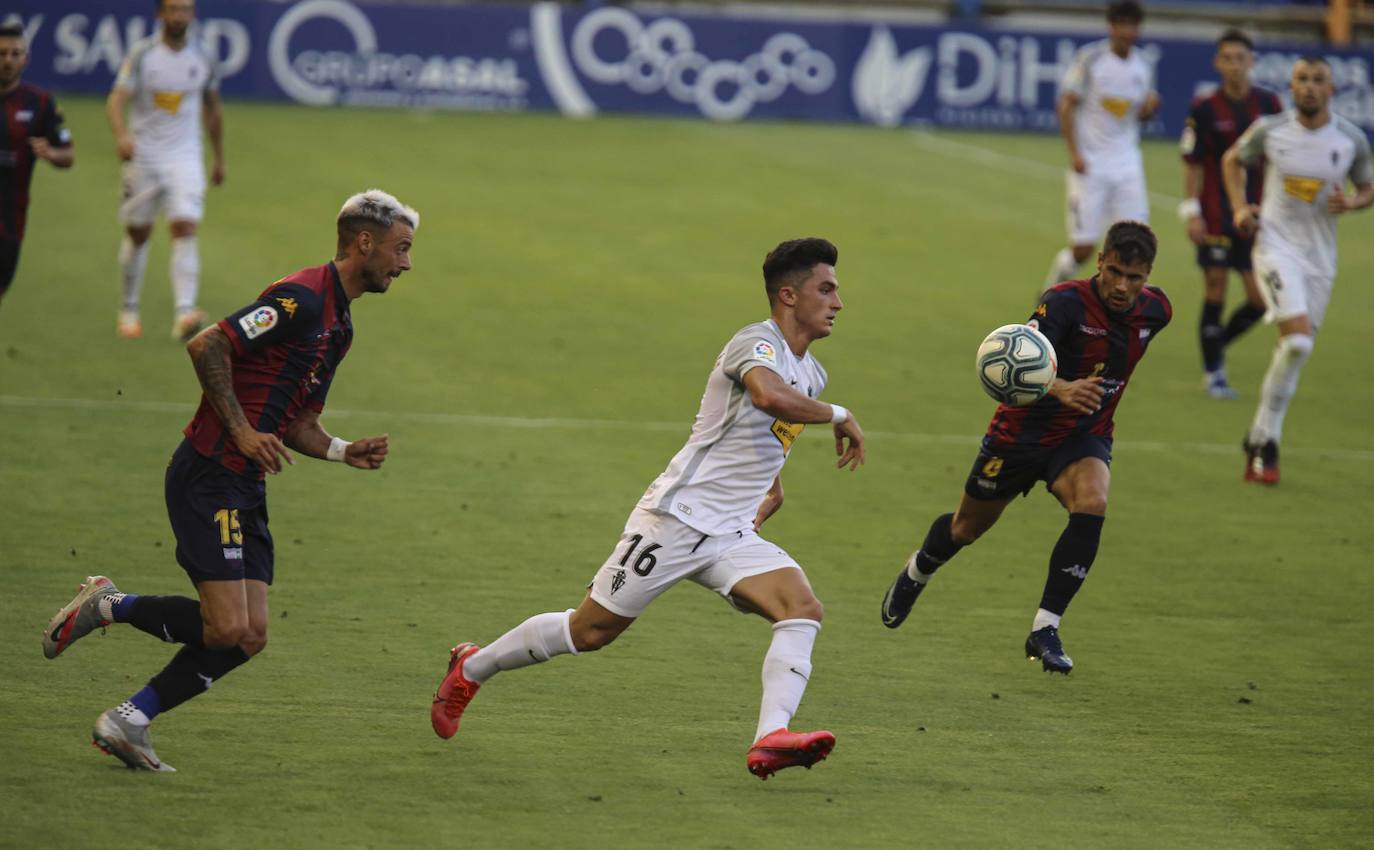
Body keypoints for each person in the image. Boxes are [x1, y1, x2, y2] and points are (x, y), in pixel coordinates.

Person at [430, 238, 866, 780]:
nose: (838, 302)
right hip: (675, 520)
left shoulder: (813, 373)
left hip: (730, 531)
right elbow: (767, 398)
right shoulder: (754, 344)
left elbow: (758, 430)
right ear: (788, 296)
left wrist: (770, 485)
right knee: (589, 632)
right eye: (826, 289)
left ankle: (770, 737)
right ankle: (472, 666)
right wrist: (839, 414)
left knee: (802, 609)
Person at [41, 190, 416, 772]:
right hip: (210, 471)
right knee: (226, 625)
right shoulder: (299, 298)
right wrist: (240, 430)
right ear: (364, 243)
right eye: (401, 249)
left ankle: (129, 720)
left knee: (249, 635)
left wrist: (343, 451)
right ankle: (109, 604)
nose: (406, 264)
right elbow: (208, 342)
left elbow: (298, 423)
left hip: (245, 484)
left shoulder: (339, 327)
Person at [883, 221, 1171, 674]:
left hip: (1082, 435)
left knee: (1092, 501)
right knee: (965, 529)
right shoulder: (1062, 303)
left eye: (1134, 278)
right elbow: (1012, 362)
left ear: (1148, 274)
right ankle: (919, 569)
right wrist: (1060, 389)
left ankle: (1045, 628)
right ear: (1100, 261)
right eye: (1114, 271)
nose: (1121, 286)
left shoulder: (1156, 313)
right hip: (1019, 435)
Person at [1225, 55, 1372, 485]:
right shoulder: (1271, 131)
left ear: (1332, 89)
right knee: (1300, 343)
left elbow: (1367, 187)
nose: (1309, 86)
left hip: (1321, 260)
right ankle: (1269, 444)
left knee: (1294, 349)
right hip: (1274, 249)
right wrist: (1238, 209)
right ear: (1292, 87)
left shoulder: (1350, 140)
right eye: (1301, 79)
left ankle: (1257, 436)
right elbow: (1233, 161)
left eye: (1318, 80)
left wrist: (1355, 202)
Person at [106, 0, 224, 340]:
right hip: (144, 157)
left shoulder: (203, 56)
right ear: (160, 14)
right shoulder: (143, 54)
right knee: (138, 233)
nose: (179, 16)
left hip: (185, 156)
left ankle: (185, 312)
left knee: (185, 226)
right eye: (173, 9)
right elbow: (116, 99)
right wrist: (122, 136)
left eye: (186, 9)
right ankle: (128, 308)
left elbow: (213, 108)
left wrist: (218, 158)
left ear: (193, 14)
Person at [1178, 30, 1282, 399]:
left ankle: (1215, 343)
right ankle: (1214, 374)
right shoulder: (1205, 107)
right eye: (1228, 58)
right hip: (1216, 214)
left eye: (1241, 58)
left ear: (1252, 62)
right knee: (1216, 287)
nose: (1234, 65)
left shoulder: (1269, 104)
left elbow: (1279, 158)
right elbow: (1192, 162)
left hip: (1256, 215)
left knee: (1259, 299)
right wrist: (1191, 211)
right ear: (1217, 63)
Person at [1043, 1, 1160, 292]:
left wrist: (1149, 109)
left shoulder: (1144, 64)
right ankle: (1049, 293)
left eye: (1132, 25)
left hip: (1127, 165)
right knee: (1083, 249)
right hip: (1091, 164)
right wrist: (1074, 153)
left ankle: (1120, 311)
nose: (1127, 31)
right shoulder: (1091, 59)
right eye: (1121, 24)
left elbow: (1141, 113)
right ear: (1111, 27)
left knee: (1137, 243)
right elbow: (1066, 105)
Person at [0, 22, 74, 305]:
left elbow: (68, 155)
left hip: (11, 216)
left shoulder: (39, 103)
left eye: (14, 53)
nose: (8, 60)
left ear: (25, 58)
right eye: (2, 53)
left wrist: (51, 154)